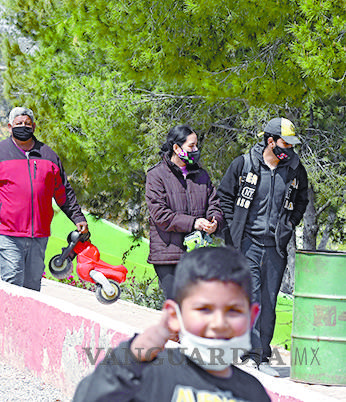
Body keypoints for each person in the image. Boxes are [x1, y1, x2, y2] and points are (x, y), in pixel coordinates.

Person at [73, 246, 270, 402]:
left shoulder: (253, 393)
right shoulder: (149, 374)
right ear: (175, 316)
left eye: (233, 311)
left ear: (251, 317)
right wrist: (131, 358)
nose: (219, 323)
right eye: (204, 309)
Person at [217, 117, 308, 375]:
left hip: (275, 248)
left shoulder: (295, 169)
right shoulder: (244, 164)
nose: (289, 149)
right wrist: (231, 233)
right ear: (270, 141)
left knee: (268, 301)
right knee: (251, 298)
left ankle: (261, 355)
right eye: (285, 143)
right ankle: (249, 354)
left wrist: (290, 223)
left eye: (292, 145)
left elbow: (302, 200)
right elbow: (224, 196)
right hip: (247, 244)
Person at [0, 106, 88, 291]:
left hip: (39, 235)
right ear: (9, 127)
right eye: (19, 124)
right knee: (12, 283)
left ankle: (25, 321)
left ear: (34, 127)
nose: (23, 127)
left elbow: (64, 193)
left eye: (27, 124)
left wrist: (78, 218)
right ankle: (7, 320)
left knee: (32, 287)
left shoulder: (49, 155)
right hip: (6, 234)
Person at [145, 125, 224, 299]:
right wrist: (194, 222)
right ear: (176, 147)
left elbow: (214, 205)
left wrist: (213, 222)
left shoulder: (201, 175)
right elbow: (160, 215)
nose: (196, 150)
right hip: (168, 254)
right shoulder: (156, 175)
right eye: (191, 146)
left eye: (196, 145)